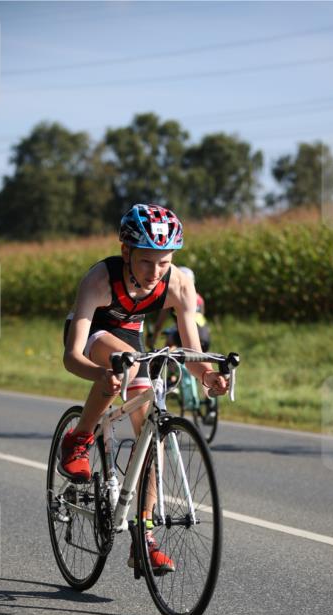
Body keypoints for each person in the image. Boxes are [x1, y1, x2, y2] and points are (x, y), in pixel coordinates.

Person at [61, 203, 229, 573]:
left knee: (151, 436)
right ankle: (79, 438)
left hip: (129, 337)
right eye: (146, 262)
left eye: (164, 263)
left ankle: (144, 537)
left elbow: (192, 353)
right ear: (126, 252)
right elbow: (71, 356)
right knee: (127, 364)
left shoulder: (180, 284)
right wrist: (97, 375)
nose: (156, 273)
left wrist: (208, 377)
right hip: (92, 332)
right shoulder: (99, 280)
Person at [150, 265, 211, 351]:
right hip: (205, 337)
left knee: (169, 345)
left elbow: (159, 325)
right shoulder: (200, 299)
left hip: (187, 338)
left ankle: (166, 361)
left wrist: (153, 339)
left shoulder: (172, 298)